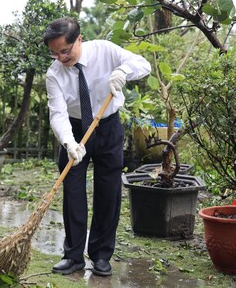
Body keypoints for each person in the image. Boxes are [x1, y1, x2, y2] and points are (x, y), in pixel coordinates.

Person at [43, 18, 151, 276]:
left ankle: (101, 255)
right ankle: (73, 256)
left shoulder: (105, 50)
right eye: (54, 53)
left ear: (79, 39)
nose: (60, 57)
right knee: (73, 192)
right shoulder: (54, 74)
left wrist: (124, 72)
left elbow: (143, 64)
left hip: (107, 126)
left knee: (108, 192)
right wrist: (69, 143)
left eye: (65, 51)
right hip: (74, 129)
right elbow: (57, 114)